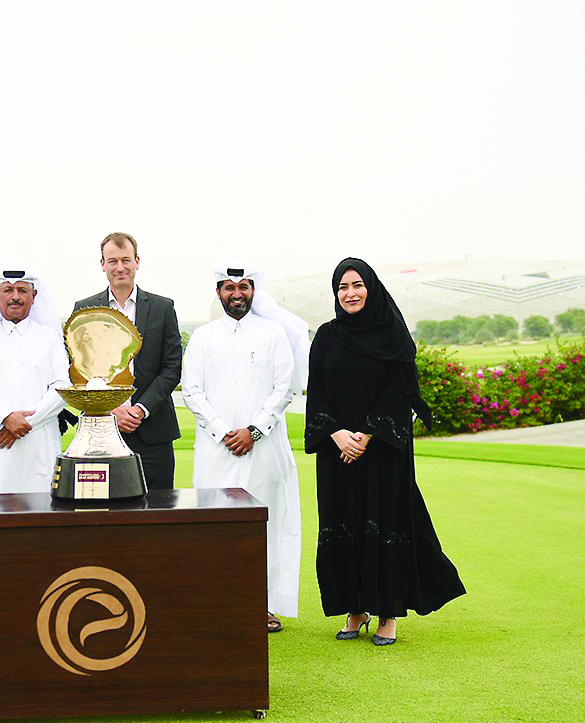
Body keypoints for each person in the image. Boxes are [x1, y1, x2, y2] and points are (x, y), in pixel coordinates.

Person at [305, 257, 466, 645]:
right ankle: (355, 608)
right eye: (342, 287)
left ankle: (388, 614)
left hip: (382, 452)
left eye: (357, 285)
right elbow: (318, 392)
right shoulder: (326, 336)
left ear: (371, 287)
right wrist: (338, 433)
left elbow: (401, 393)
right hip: (337, 451)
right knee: (344, 522)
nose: (350, 293)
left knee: (383, 520)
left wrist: (368, 434)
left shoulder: (393, 335)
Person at [182, 264, 309, 633]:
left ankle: (263, 604)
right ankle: (218, 602)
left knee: (265, 525)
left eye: (244, 286)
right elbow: (192, 392)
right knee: (215, 526)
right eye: (228, 287)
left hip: (264, 448)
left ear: (253, 290)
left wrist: (254, 430)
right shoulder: (203, 337)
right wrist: (224, 432)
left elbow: (286, 387)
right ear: (218, 291)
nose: (236, 293)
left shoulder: (274, 333)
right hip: (216, 450)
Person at [73, 232, 182, 490]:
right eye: (112, 261)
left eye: (125, 260)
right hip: (101, 430)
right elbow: (79, 370)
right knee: (103, 509)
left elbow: (171, 368)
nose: (120, 267)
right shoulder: (85, 309)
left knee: (157, 513)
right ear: (102, 264)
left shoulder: (162, 308)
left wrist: (140, 409)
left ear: (137, 261)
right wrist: (112, 409)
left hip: (153, 430)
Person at [0, 265, 69, 494]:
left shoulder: (49, 338)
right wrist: (5, 417)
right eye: (8, 290)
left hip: (37, 443)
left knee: (39, 513)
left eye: (22, 290)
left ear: (34, 296)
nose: (15, 297)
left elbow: (63, 386)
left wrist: (25, 422)